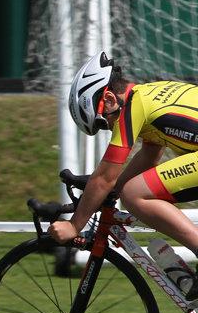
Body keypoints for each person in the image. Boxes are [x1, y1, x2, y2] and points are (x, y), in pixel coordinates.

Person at [53, 51, 198, 295]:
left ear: (109, 99)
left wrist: (75, 226)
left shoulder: (132, 108)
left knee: (134, 195)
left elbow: (104, 177)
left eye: (101, 122)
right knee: (131, 190)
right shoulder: (148, 94)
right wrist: (110, 193)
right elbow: (150, 154)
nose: (107, 127)